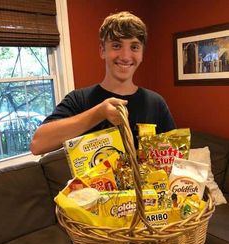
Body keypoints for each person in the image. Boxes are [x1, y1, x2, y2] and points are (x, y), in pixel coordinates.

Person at [30, 11, 176, 155]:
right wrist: (99, 113)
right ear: (102, 50)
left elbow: (175, 156)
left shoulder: (155, 103)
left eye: (134, 47)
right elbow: (38, 145)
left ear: (142, 53)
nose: (125, 56)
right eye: (117, 46)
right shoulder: (78, 99)